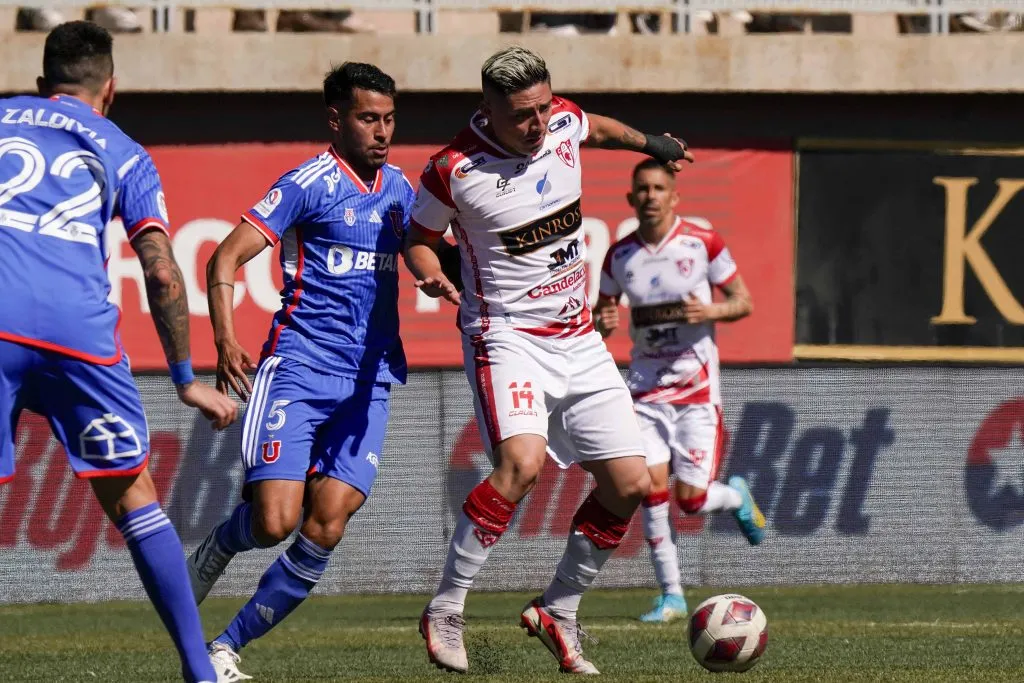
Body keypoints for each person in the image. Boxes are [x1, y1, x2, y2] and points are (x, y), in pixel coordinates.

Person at [404, 46, 694, 675]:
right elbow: (419, 239)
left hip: (580, 339)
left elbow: (603, 128)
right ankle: (446, 608)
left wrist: (654, 144)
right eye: (521, 115)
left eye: (542, 107)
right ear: (488, 109)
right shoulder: (452, 169)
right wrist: (430, 275)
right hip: (506, 336)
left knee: (631, 484)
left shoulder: (562, 119)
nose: (537, 123)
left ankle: (558, 609)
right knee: (521, 465)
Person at [0, 21, 237, 683]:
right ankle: (199, 670)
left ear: (41, 78)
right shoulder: (125, 149)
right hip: (77, 332)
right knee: (134, 495)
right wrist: (187, 378)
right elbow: (162, 272)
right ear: (110, 87)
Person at [186, 62, 417, 681]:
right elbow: (224, 257)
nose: (383, 131)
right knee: (274, 522)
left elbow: (436, 247)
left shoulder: (402, 192)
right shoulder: (307, 184)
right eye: (369, 118)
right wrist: (227, 339)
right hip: (300, 368)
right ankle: (221, 542)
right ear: (337, 119)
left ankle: (225, 648)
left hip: (369, 383)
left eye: (390, 119)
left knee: (327, 523)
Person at [594, 159, 766, 624]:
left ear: (674, 197)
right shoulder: (618, 256)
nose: (650, 196)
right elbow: (601, 314)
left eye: (658, 188)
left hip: (695, 390)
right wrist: (602, 321)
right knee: (649, 490)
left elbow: (744, 301)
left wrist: (708, 310)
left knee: (690, 501)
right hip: (646, 392)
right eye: (642, 189)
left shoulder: (702, 243)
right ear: (631, 199)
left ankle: (734, 497)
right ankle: (671, 595)